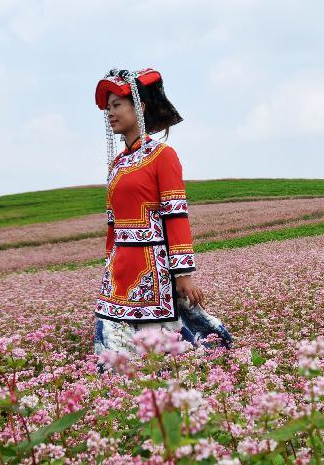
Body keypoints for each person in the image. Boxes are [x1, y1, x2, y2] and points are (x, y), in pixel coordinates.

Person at [92, 67, 232, 372]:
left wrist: (183, 274)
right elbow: (112, 224)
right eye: (108, 108)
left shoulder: (163, 156)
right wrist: (109, 263)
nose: (110, 113)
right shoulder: (117, 164)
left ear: (138, 108)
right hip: (118, 275)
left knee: (157, 352)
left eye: (117, 105)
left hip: (152, 272)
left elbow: (176, 215)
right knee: (112, 350)